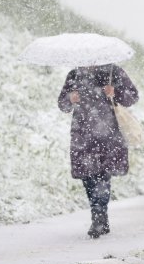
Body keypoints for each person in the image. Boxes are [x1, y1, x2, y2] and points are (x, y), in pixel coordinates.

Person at [58, 63, 139, 238]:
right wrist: (70, 99)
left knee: (103, 175)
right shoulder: (74, 74)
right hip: (83, 135)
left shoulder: (113, 71)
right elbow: (62, 105)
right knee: (87, 177)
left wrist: (115, 92)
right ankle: (100, 216)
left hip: (108, 135)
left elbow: (132, 96)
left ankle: (99, 218)